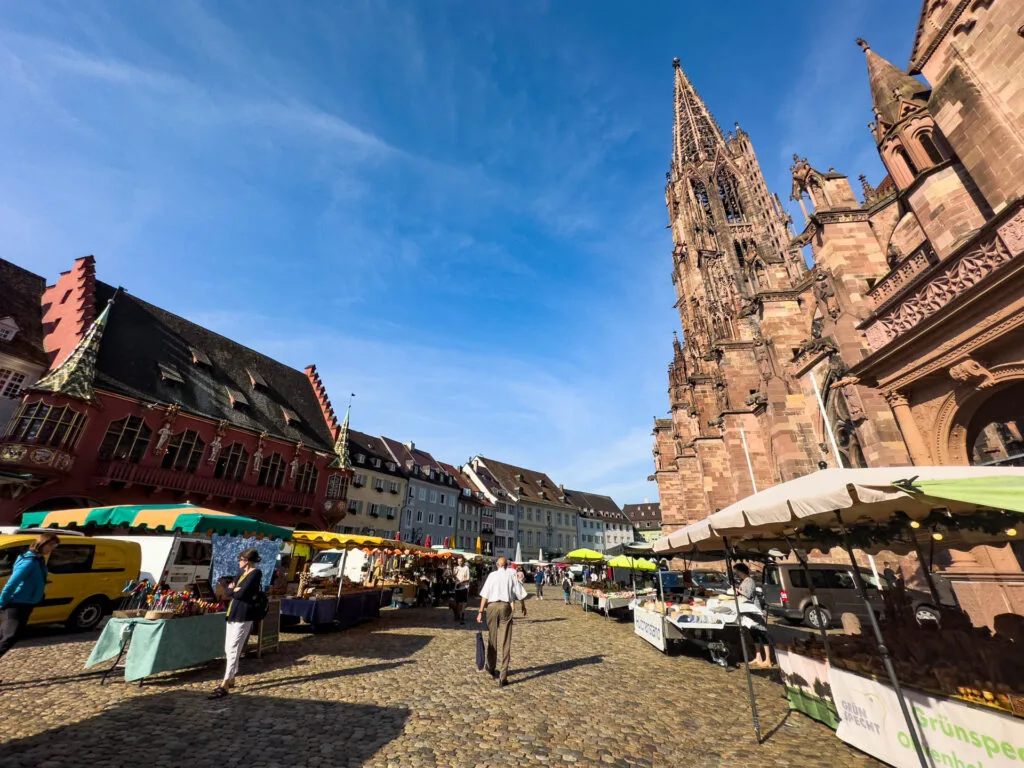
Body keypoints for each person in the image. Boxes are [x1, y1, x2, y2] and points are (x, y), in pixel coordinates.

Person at [210, 548, 263, 699]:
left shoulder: (255, 573)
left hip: (244, 614)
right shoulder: (241, 573)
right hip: (233, 612)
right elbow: (228, 591)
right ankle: (232, 676)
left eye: (240, 559)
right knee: (229, 648)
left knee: (234, 648)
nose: (238, 562)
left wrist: (235, 590)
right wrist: (234, 590)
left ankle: (225, 682)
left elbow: (241, 593)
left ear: (246, 560)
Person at [0, 533, 59, 660]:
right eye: (51, 545)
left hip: (26, 603)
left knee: (4, 637)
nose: (52, 549)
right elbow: (12, 583)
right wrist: (2, 602)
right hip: (16, 604)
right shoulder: (29, 562)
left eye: (54, 546)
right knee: (9, 637)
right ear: (42, 544)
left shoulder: (38, 559)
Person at [476, 557, 527, 687]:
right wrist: (523, 606)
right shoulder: (511, 575)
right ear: (506, 566)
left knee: (492, 638)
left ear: (497, 565)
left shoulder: (492, 575)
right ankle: (503, 676)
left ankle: (491, 666)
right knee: (506, 641)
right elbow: (519, 593)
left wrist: (480, 612)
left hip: (492, 606)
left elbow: (485, 595)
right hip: (505, 607)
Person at [732, 563, 770, 668]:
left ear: (742, 571)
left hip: (754, 610)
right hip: (748, 610)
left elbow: (747, 595)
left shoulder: (749, 581)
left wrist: (736, 590)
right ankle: (758, 657)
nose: (736, 573)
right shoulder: (744, 581)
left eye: (737, 571)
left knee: (762, 633)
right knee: (754, 633)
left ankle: (768, 659)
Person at [453, 556, 471, 624]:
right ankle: (457, 615)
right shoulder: (456, 568)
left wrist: (461, 581)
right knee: (457, 602)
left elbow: (468, 578)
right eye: (458, 561)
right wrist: (454, 573)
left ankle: (462, 616)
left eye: (461, 561)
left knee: (463, 603)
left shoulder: (466, 568)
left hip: (464, 587)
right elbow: (454, 577)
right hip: (457, 587)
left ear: (463, 561)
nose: (459, 563)